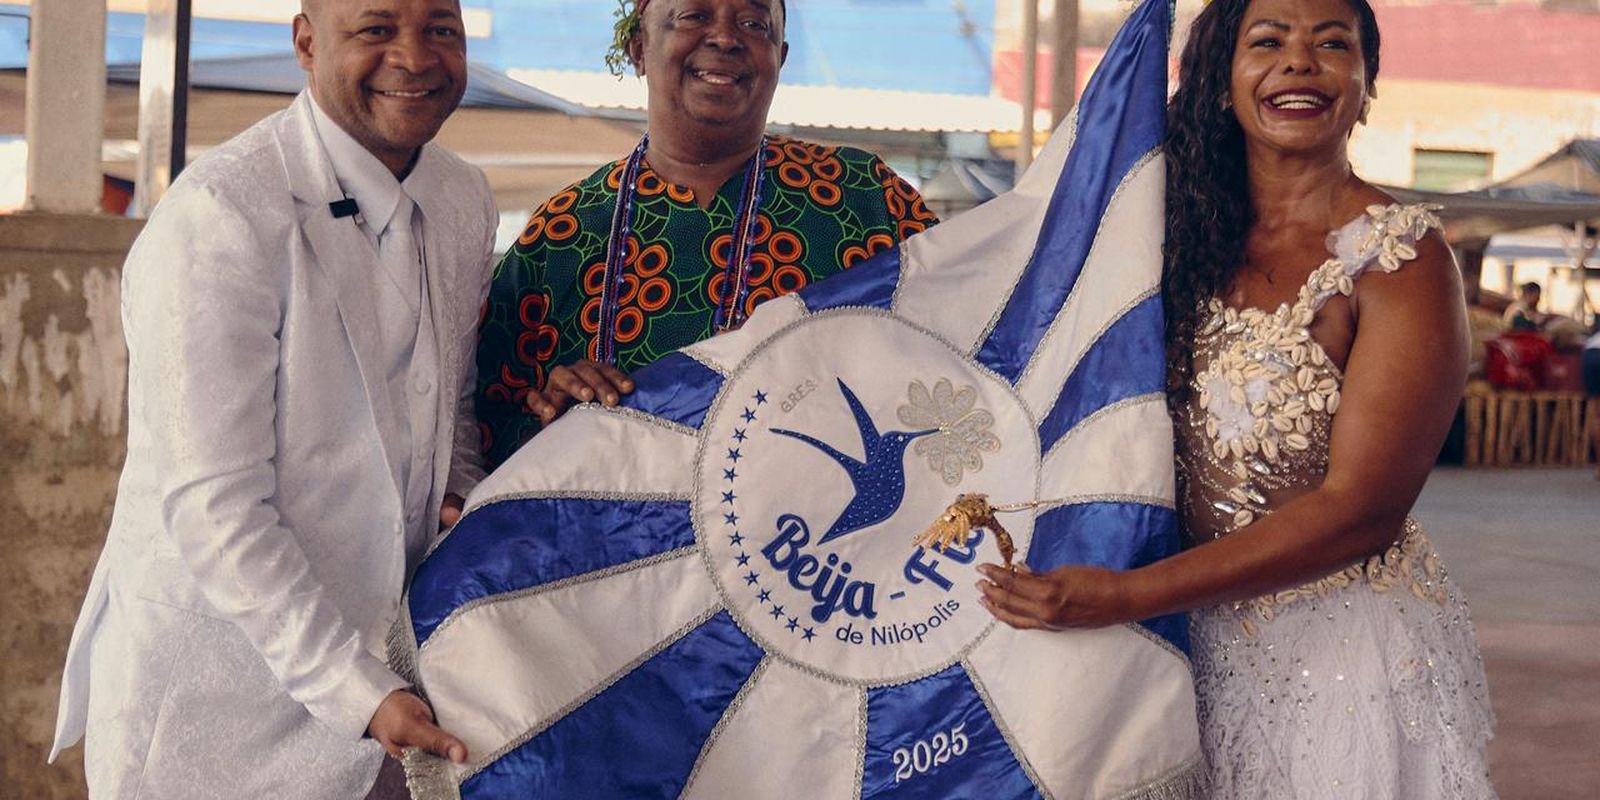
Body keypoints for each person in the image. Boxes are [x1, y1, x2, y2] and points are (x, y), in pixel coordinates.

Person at [973, 0, 1496, 796]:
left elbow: (1362, 511)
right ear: (1221, 80)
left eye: (1332, 44)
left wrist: (1124, 594)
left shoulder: (1398, 258)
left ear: (1365, 84)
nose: (1300, 61)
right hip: (1166, 647)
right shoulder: (1163, 231)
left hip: (1332, 662)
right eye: (1268, 41)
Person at [49, 0, 495, 795]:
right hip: (217, 707)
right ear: (306, 42)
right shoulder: (221, 213)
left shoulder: (463, 197)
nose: (415, 57)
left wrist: (457, 492)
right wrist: (357, 690)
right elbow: (214, 505)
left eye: (441, 30)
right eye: (376, 29)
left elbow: (451, 399)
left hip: (392, 697)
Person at [475, 0, 939, 467]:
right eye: (694, 15)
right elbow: (481, 435)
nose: (725, 38)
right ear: (639, 48)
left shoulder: (865, 198)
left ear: (780, 56)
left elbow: (959, 356)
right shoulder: (562, 233)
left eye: (754, 23)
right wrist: (552, 421)